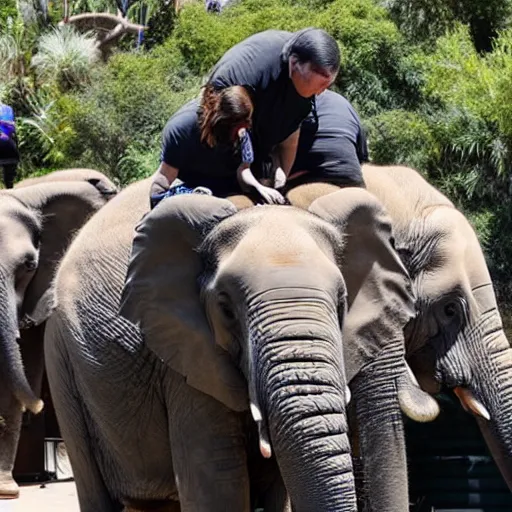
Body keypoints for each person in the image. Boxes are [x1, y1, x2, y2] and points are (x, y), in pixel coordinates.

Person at [200, 27, 340, 196]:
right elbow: (218, 121)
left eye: (327, 85)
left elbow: (292, 136)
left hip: (264, 114)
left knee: (311, 127)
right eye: (320, 85)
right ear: (294, 64)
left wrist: (282, 174)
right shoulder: (244, 76)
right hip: (223, 120)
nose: (321, 92)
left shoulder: (303, 88)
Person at [149, 86, 284, 209]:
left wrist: (259, 187)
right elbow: (164, 178)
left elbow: (244, 168)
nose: (247, 126)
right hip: (189, 184)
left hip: (225, 184)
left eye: (248, 121)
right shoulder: (181, 130)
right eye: (243, 122)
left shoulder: (243, 131)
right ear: (224, 122)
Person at [288, 89, 369, 188]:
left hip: (307, 178)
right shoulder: (344, 103)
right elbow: (362, 156)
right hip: (351, 178)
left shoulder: (294, 102)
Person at [0, 102, 19, 189]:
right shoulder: (7, 109)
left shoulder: (7, 109)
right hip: (7, 142)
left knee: (9, 178)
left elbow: (12, 126)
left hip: (7, 144)